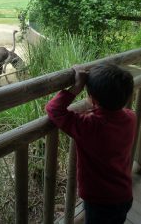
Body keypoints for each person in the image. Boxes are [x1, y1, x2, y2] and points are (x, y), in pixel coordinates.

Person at [45, 63, 136, 224]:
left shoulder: (90, 125)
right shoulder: (130, 117)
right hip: (124, 195)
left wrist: (77, 86)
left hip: (100, 202)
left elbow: (53, 109)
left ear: (92, 99)